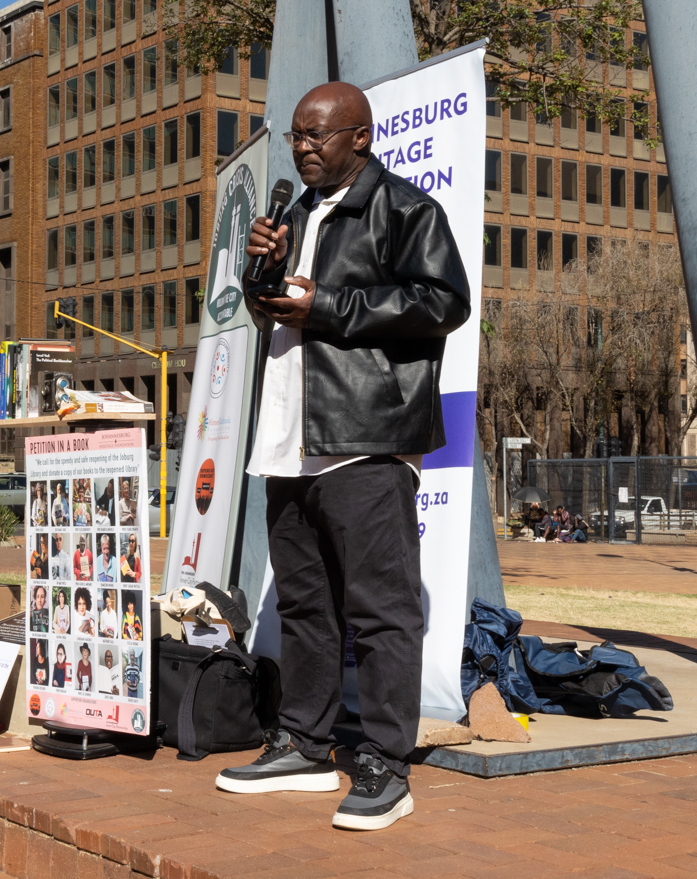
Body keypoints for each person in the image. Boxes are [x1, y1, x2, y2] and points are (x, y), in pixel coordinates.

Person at [215, 83, 470, 832]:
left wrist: (327, 305)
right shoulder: (296, 211)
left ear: (360, 138)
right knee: (304, 603)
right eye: (296, 136)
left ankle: (387, 762)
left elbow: (441, 303)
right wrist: (258, 271)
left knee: (383, 611)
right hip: (290, 436)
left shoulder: (405, 208)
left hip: (364, 438)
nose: (302, 148)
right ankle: (304, 739)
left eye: (318, 136)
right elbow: (274, 305)